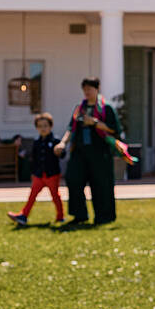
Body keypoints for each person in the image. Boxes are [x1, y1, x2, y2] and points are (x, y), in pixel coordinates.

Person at [53, 78, 122, 226]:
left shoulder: (106, 108)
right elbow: (71, 128)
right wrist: (63, 143)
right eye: (85, 89)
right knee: (73, 179)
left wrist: (95, 123)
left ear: (97, 89)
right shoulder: (80, 108)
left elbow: (115, 130)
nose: (87, 92)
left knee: (101, 184)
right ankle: (79, 215)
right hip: (80, 151)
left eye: (90, 89)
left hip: (100, 152)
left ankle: (104, 217)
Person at [8, 113, 64, 226]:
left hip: (52, 174)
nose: (43, 128)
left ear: (50, 126)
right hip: (39, 175)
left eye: (45, 125)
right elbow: (34, 159)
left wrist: (61, 151)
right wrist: (33, 173)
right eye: (40, 126)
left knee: (55, 196)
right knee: (32, 196)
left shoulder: (56, 141)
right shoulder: (37, 142)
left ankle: (60, 217)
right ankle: (23, 216)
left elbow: (62, 155)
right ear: (37, 128)